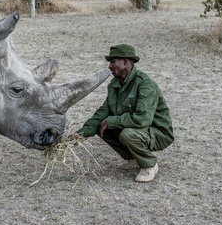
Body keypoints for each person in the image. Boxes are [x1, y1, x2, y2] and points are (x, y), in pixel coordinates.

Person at [74, 44, 173, 182]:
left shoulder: (145, 83)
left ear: (125, 61)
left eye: (113, 61)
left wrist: (111, 121)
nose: (109, 66)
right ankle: (134, 159)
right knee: (102, 127)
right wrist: (81, 133)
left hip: (158, 132)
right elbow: (103, 112)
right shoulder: (114, 85)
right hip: (140, 129)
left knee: (127, 134)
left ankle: (149, 165)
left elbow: (143, 119)